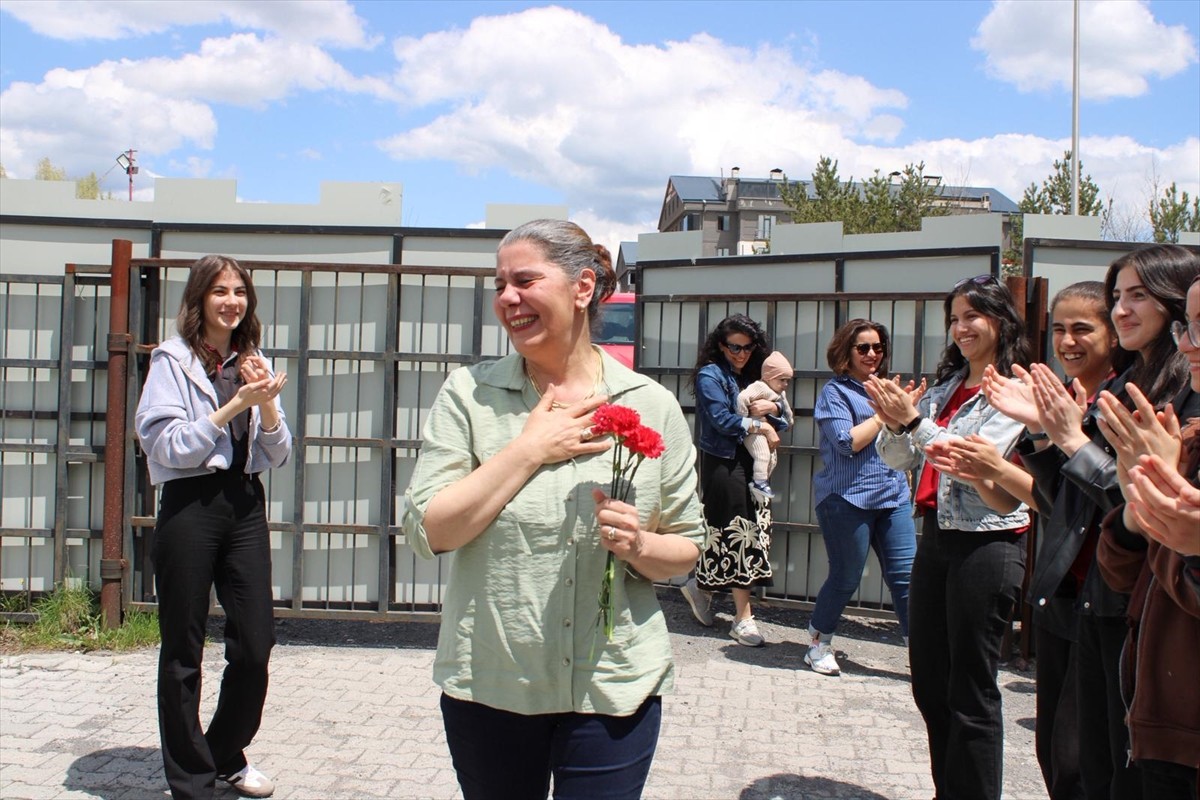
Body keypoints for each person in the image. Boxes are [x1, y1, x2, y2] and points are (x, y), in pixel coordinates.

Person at [400, 219, 705, 800]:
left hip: (614, 687)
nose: (507, 298)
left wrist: (640, 545)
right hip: (494, 684)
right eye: (499, 285)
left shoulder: (651, 404)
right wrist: (528, 450)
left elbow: (687, 548)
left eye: (524, 281)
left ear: (582, 287)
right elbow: (430, 530)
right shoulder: (469, 395)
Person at [865, 274, 1031, 800]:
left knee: (971, 691)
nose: (961, 328)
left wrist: (914, 422)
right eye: (954, 319)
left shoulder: (1015, 389)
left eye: (972, 316)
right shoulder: (947, 386)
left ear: (1001, 320)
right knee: (930, 683)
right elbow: (900, 460)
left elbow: (970, 460)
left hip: (988, 542)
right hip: (937, 536)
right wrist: (895, 425)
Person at [135, 255, 291, 800]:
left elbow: (278, 452)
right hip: (190, 505)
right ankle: (192, 781)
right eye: (220, 291)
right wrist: (232, 408)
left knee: (255, 642)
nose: (232, 301)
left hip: (244, 504)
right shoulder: (172, 361)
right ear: (200, 298)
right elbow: (166, 445)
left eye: (240, 291)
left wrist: (265, 406)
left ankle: (223, 752)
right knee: (184, 649)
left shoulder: (253, 360)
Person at [1096, 255, 1200, 800]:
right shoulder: (1163, 411)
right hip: (1152, 690)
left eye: (1138, 295)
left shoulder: (1174, 409)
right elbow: (1123, 563)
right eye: (1190, 327)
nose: (1190, 344)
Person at [805, 319, 916, 677]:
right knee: (845, 577)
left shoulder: (886, 389)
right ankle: (818, 643)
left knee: (907, 578)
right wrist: (884, 415)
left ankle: (921, 652)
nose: (872, 354)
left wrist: (903, 415)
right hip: (846, 498)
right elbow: (846, 442)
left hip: (893, 495)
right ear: (846, 352)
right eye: (863, 347)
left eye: (878, 347)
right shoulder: (835, 393)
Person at [679, 314, 791, 647]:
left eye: (748, 347)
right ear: (720, 345)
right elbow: (720, 420)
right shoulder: (711, 375)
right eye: (734, 347)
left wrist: (772, 411)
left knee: (742, 531)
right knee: (740, 532)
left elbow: (785, 418)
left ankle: (700, 586)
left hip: (755, 464)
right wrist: (760, 424)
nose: (741, 354)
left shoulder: (759, 376)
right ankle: (743, 618)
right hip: (724, 462)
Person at [738, 350, 794, 500]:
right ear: (769, 377)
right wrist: (742, 417)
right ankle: (759, 483)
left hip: (765, 431)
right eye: (782, 380)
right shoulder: (759, 387)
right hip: (753, 431)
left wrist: (790, 421)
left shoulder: (780, 393)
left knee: (769, 459)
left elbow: (786, 408)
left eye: (788, 380)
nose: (785, 384)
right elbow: (742, 398)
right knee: (762, 455)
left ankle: (761, 485)